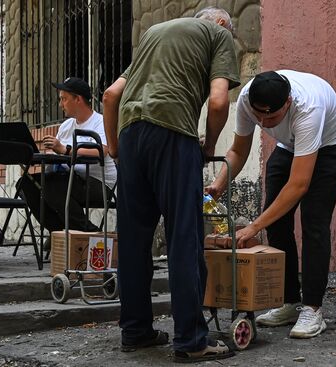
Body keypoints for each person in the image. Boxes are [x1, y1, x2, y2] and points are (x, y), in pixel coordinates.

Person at [103, 6, 240, 363]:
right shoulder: (219, 35)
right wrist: (209, 147)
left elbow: (110, 96)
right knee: (185, 237)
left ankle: (135, 331)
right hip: (173, 132)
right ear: (222, 24)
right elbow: (219, 99)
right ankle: (192, 340)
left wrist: (116, 149)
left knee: (133, 240)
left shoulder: (153, 34)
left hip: (131, 134)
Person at [206, 70, 336, 339]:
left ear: (287, 103)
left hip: (332, 143)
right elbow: (238, 151)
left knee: (314, 221)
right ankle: (288, 302)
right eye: (258, 115)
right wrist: (218, 185)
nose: (263, 121)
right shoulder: (248, 99)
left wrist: (252, 227)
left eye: (271, 118)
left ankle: (312, 308)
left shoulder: (308, 108)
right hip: (290, 145)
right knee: (277, 220)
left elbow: (299, 185)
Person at [19, 77, 117, 236]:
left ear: (78, 99)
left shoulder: (100, 122)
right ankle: (59, 232)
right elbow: (58, 152)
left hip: (100, 184)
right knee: (26, 184)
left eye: (63, 99)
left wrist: (66, 150)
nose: (60, 104)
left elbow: (103, 150)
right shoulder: (66, 126)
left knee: (52, 185)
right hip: (71, 179)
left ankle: (88, 232)